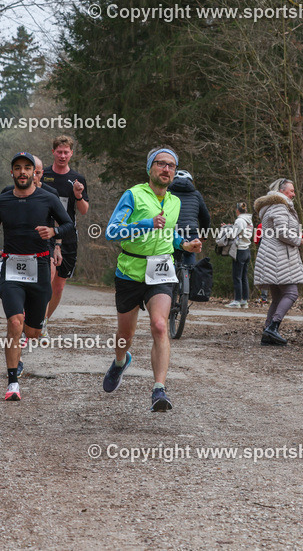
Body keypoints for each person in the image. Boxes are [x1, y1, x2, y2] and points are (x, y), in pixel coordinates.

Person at [102, 148, 202, 411]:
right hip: (130, 272)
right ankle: (121, 362)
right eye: (161, 164)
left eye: (171, 165)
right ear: (150, 168)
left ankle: (159, 389)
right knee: (126, 334)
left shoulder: (175, 202)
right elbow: (112, 232)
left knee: (159, 325)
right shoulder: (133, 195)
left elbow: (170, 236)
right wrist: (145, 223)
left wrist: (186, 245)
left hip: (161, 271)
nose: (166, 169)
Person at [0, 152, 74, 401]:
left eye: (27, 168)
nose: (22, 172)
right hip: (11, 266)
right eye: (18, 168)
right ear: (12, 172)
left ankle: (33, 330)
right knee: (14, 322)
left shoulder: (48, 198)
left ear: (35, 173)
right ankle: (12, 383)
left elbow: (69, 225)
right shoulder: (1, 201)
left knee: (32, 332)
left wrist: (53, 231)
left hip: (40, 266)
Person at [41, 135, 89, 325]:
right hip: (46, 234)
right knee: (47, 279)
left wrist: (78, 195)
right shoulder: (42, 175)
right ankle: (36, 322)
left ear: (71, 153)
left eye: (66, 152)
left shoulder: (77, 179)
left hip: (68, 234)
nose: (62, 155)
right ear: (53, 152)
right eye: (59, 152)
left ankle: (43, 321)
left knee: (58, 287)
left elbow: (84, 210)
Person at [254, 179, 303, 345]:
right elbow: (282, 231)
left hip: (271, 255)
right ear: (281, 191)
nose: (293, 194)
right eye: (291, 191)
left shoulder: (272, 206)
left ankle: (267, 332)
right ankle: (273, 327)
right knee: (292, 293)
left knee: (277, 298)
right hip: (278, 257)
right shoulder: (279, 205)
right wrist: (298, 240)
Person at [168, 170, 211, 269]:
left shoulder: (167, 192)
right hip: (191, 232)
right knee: (190, 256)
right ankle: (190, 279)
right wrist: (204, 235)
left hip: (172, 232)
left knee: (170, 258)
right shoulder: (196, 194)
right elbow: (205, 216)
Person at [225, 202, 254, 308]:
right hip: (247, 249)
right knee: (244, 277)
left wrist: (226, 231)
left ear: (237, 210)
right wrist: (230, 226)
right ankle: (245, 301)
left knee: (237, 276)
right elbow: (242, 231)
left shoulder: (239, 220)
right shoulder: (249, 221)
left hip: (240, 250)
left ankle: (237, 300)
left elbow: (233, 234)